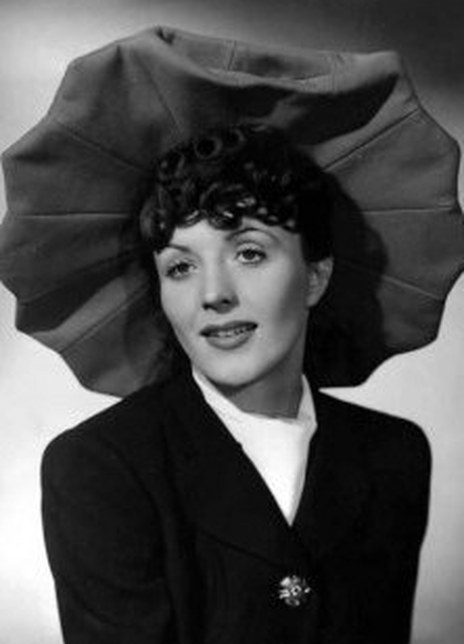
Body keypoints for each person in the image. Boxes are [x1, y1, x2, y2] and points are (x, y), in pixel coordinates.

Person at [0, 26, 463, 644]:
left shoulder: (395, 455)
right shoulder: (99, 466)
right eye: (180, 267)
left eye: (249, 252)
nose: (212, 293)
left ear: (316, 276)